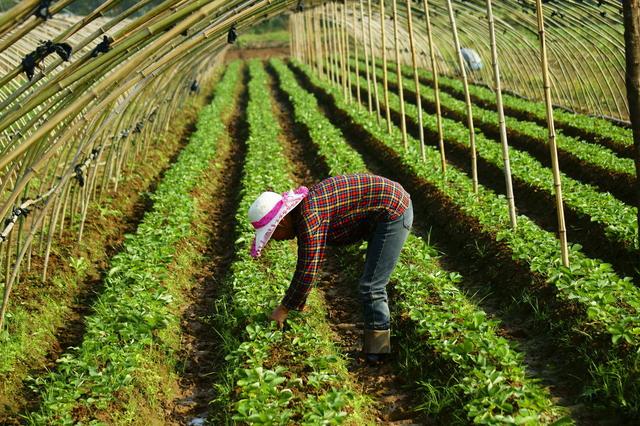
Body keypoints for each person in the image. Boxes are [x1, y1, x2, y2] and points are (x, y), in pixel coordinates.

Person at [247, 174, 413, 360]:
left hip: (393, 210)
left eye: (272, 233)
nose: (275, 240)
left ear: (282, 222)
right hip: (380, 211)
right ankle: (376, 344)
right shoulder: (306, 210)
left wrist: (283, 309)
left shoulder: (309, 217)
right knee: (370, 280)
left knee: (372, 285)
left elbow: (308, 269)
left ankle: (379, 352)